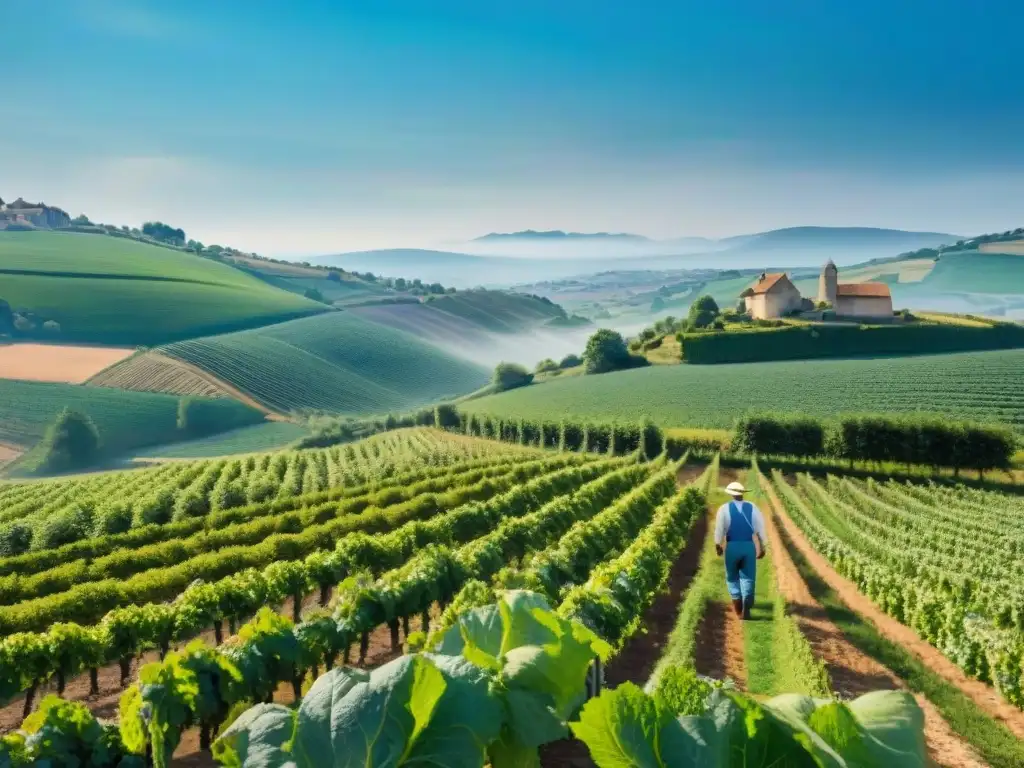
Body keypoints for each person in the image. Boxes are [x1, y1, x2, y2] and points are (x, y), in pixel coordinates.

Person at [714, 481, 767, 620]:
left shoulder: (724, 509)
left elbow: (719, 529)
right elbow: (760, 527)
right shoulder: (753, 507)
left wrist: (718, 545)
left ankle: (739, 610)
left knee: (732, 577)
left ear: (731, 494)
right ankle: (747, 602)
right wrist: (762, 546)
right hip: (748, 546)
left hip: (732, 546)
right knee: (748, 576)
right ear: (742, 494)